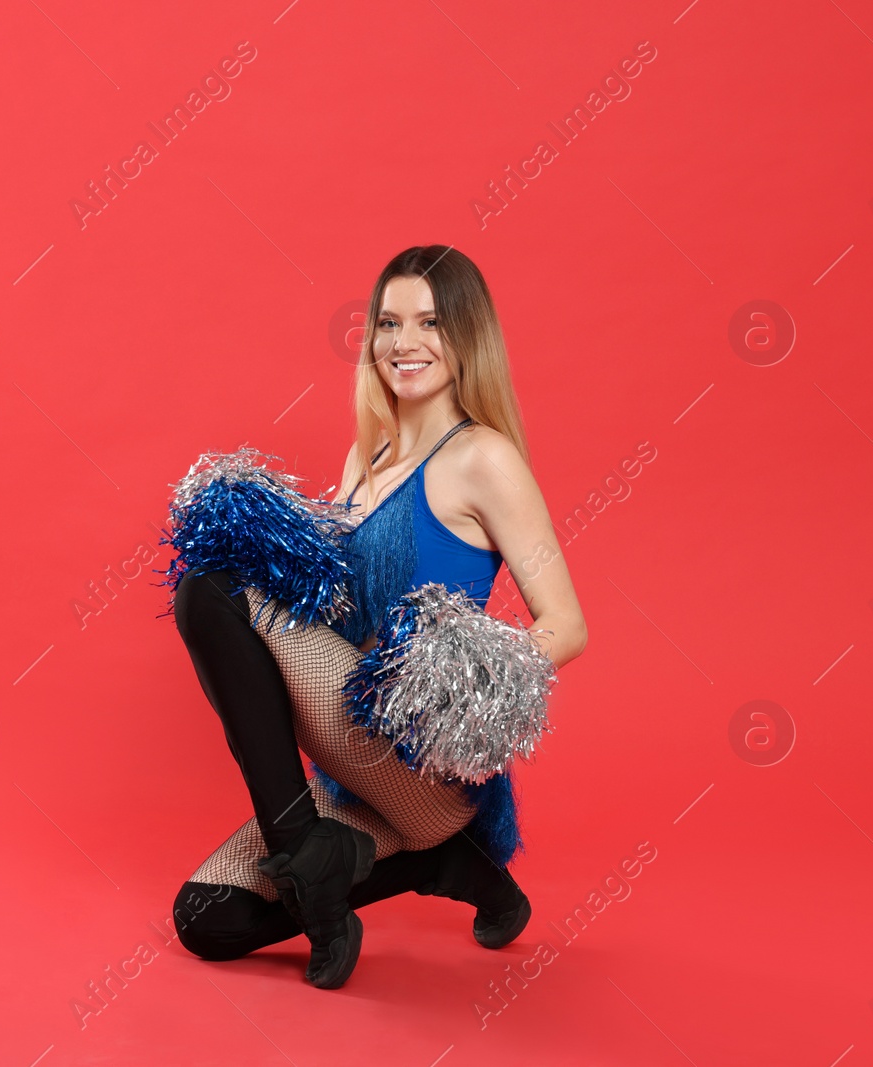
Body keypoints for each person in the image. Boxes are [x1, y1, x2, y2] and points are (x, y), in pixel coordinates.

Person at [169, 245, 588, 989]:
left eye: (430, 322)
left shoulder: (485, 459)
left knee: (212, 584)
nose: (405, 342)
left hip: (418, 761)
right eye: (388, 323)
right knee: (206, 916)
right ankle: (435, 863)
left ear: (467, 335)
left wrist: (457, 680)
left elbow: (567, 623)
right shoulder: (368, 456)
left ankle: (351, 864)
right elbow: (332, 614)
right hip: (355, 770)